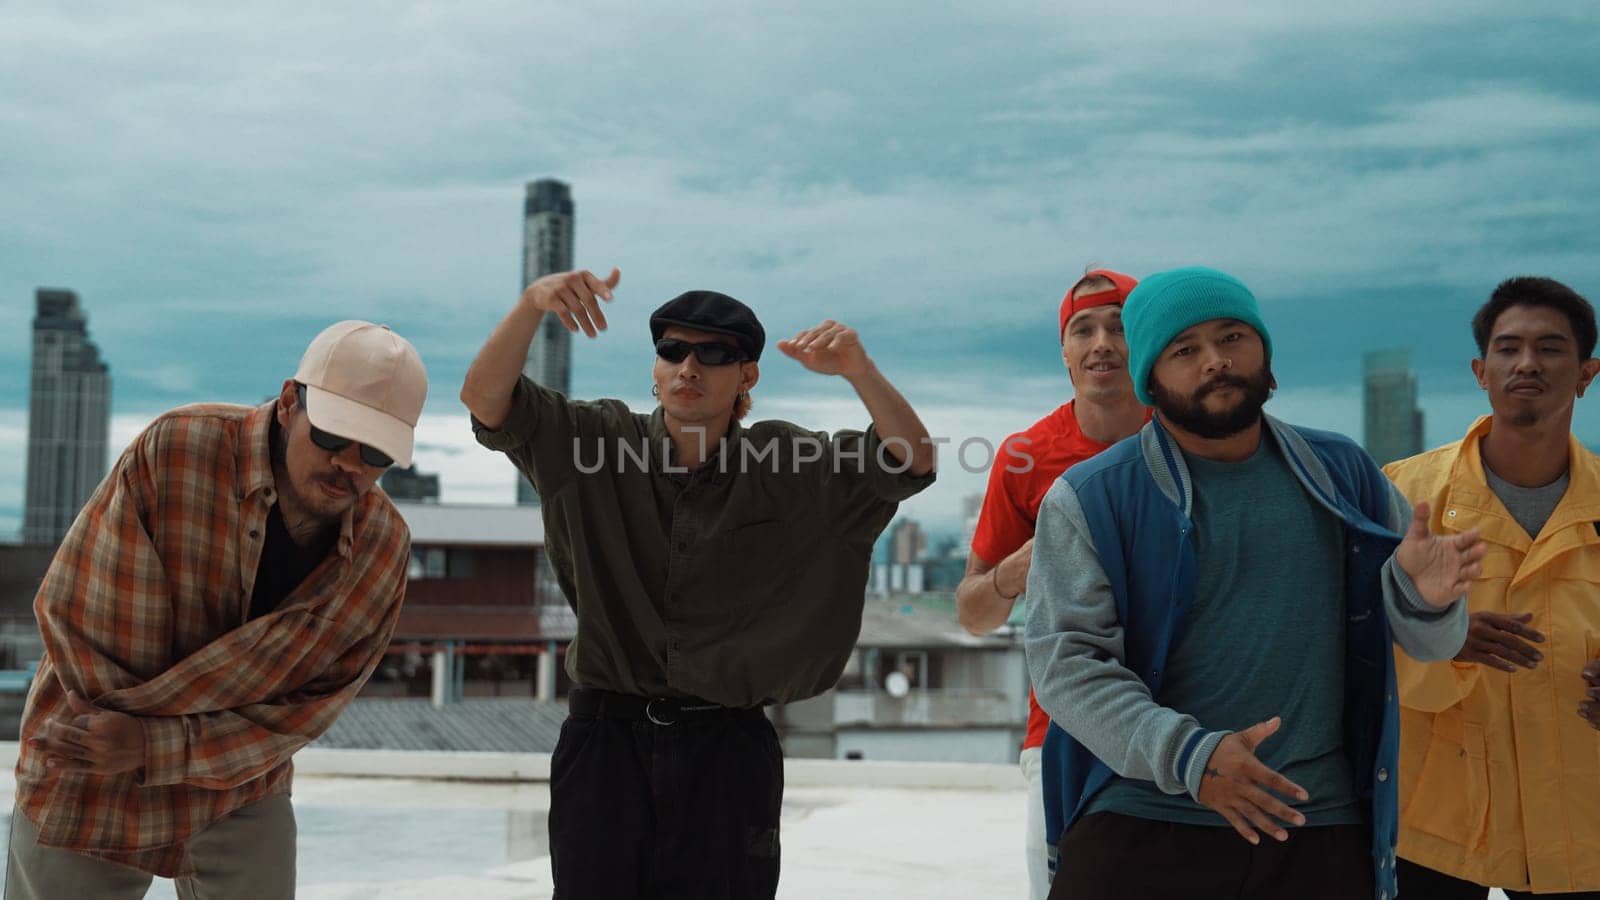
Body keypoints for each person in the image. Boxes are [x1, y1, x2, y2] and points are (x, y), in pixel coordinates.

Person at [459, 267, 935, 900]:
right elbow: (487, 402)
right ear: (654, 369)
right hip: (606, 744)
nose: (689, 366)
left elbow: (911, 461)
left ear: (747, 377)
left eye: (715, 354)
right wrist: (530, 305)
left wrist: (858, 370)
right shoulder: (593, 441)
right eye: (673, 350)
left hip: (728, 749)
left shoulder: (788, 463)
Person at [1024, 266, 1484, 900]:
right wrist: (1193, 757)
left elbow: (1430, 645)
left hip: (1318, 827)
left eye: (1233, 337)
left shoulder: (1342, 472)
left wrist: (1428, 605)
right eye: (1185, 350)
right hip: (1145, 818)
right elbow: (1066, 664)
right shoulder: (1092, 496)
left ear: (1264, 351)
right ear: (1150, 379)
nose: (1215, 360)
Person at [8, 321, 426, 899]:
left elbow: (308, 710)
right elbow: (82, 617)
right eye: (333, 436)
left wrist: (154, 746)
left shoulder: (382, 552)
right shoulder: (177, 451)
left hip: (239, 779)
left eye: (376, 451)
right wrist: (124, 742)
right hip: (90, 746)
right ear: (288, 404)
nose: (349, 465)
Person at [1386, 276, 1600, 899]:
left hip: (1582, 823)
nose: (1526, 363)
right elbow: (1341, 638)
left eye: (1550, 348)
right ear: (1481, 371)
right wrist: (1441, 637)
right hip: (1437, 823)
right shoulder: (1402, 494)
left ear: (1587, 374)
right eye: (1508, 348)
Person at [955, 268, 1147, 899]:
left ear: (1145, 339)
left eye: (1119, 327)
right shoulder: (1026, 455)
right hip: (1063, 728)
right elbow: (973, 614)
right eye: (1083, 329)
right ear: (1063, 352)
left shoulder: (1191, 438)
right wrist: (1015, 570)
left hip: (1191, 718)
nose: (1102, 344)